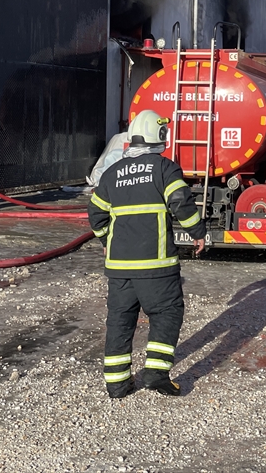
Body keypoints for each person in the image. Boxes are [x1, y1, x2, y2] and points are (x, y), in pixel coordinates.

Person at [87, 110, 206, 399]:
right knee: (166, 313)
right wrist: (198, 232)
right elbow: (181, 204)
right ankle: (155, 373)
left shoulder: (112, 173)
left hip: (119, 268)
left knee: (119, 320)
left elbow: (95, 213)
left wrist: (105, 240)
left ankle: (116, 384)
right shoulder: (165, 169)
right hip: (156, 265)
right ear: (159, 136)